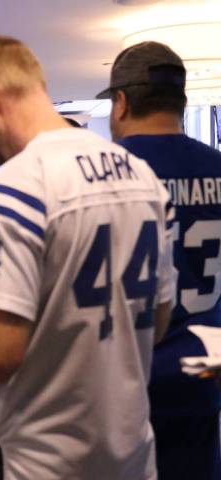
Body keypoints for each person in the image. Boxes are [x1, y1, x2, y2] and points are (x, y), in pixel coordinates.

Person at [0, 35, 175, 480]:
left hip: (36, 458)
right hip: (131, 452)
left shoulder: (13, 186)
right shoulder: (142, 176)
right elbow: (158, 322)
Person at [101, 41, 221, 480]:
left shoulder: (102, 175)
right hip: (204, 379)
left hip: (121, 385)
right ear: (183, 101)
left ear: (122, 102)